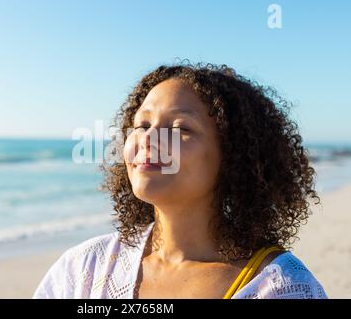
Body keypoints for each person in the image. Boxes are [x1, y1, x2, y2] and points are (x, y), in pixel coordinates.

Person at [33, 62, 327, 299]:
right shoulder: (87, 267)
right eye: (143, 124)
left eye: (180, 127)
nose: (149, 138)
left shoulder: (281, 287)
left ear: (235, 157)